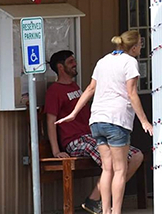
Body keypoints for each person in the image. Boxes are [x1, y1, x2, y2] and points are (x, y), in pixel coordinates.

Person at [55, 32, 154, 214]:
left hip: (97, 120)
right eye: (140, 44)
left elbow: (91, 88)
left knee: (107, 169)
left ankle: (105, 210)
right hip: (116, 120)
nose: (141, 47)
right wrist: (144, 121)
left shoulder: (103, 61)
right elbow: (131, 93)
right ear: (133, 48)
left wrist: (73, 113)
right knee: (120, 169)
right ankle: (115, 212)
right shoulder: (130, 62)